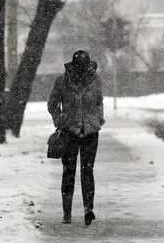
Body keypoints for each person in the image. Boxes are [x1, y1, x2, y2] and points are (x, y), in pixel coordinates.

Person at [47, 50, 105, 226]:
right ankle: (67, 213)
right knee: (69, 172)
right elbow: (53, 104)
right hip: (69, 133)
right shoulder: (62, 81)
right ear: (72, 65)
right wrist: (60, 121)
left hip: (90, 132)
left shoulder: (95, 79)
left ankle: (88, 210)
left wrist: (98, 119)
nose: (81, 70)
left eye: (84, 66)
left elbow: (99, 101)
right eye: (78, 66)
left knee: (88, 172)